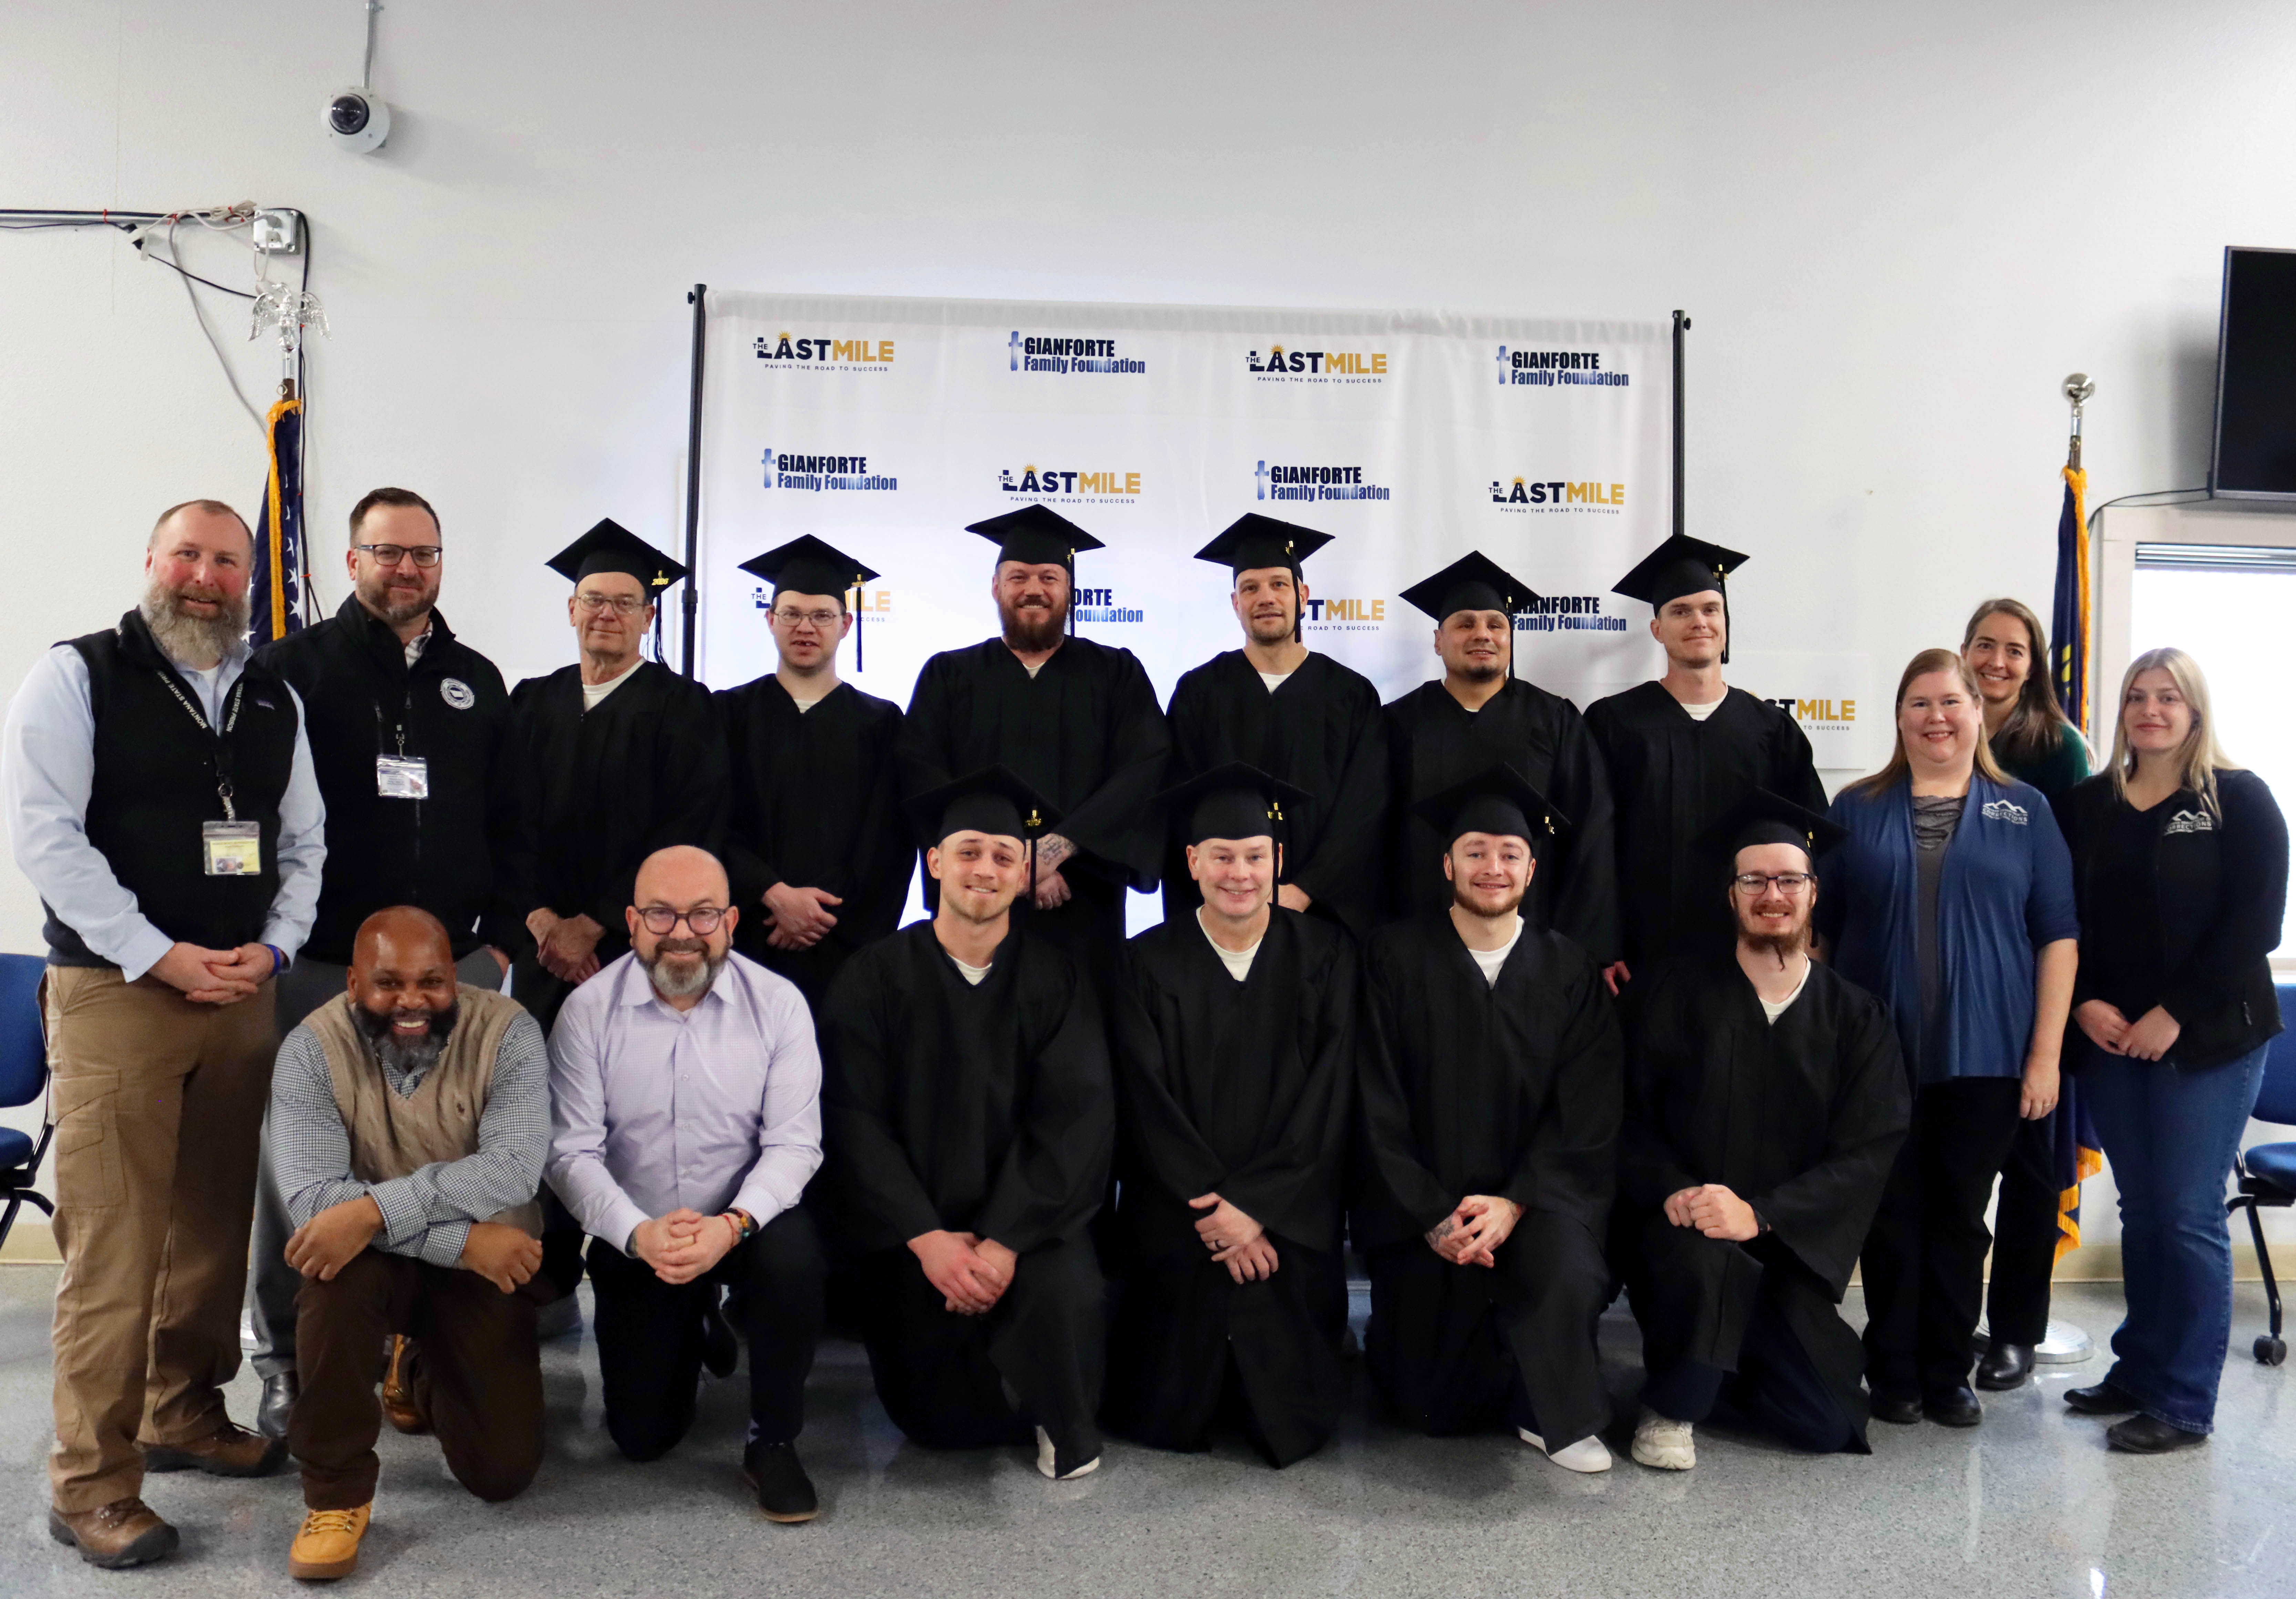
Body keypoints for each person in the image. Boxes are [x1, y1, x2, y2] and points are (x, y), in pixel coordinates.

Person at [2, 499, 324, 1568]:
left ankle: (181, 1409)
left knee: (210, 1228)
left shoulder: (272, 694)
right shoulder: (77, 675)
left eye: (227, 561)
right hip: (116, 994)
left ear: (247, 579)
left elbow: (305, 841)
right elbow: (46, 837)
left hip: (239, 996)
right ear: (152, 560)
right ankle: (89, 1483)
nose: (206, 576)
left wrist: (274, 949)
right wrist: (156, 953)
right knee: (115, 1246)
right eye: (188, 554)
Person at [244, 486, 521, 1440]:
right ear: (353, 559)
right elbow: (255, 805)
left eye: (424, 553)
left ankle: (415, 1348)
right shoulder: (289, 668)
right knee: (300, 1171)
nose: (408, 569)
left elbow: (509, 816)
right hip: (322, 966)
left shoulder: (476, 679)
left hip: (453, 971)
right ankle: (289, 1362)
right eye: (388, 551)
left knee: (440, 1157)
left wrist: (499, 938)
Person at [817, 767, 1114, 1481]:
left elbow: (1074, 1119)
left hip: (1028, 1230)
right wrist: (928, 1240)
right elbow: (852, 1119)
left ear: (1022, 875)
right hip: (914, 1233)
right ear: (934, 862)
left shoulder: (1056, 979)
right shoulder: (872, 977)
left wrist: (1004, 1243)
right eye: (969, 851)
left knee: (1067, 1288)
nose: (985, 868)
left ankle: (1057, 1419)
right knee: (938, 1425)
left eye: (1004, 856)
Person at [1819, 649, 2078, 1428]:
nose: (1936, 717)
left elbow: (2057, 936)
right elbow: (1820, 936)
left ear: (1976, 713)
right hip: (1876, 1057)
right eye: (1919, 703)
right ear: (1899, 718)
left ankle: (1946, 1372)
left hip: (1988, 1056)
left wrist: (2044, 1055)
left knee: (1961, 1219)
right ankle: (1893, 1372)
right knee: (1890, 1214)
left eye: (1950, 702)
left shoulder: (2025, 810)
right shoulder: (1856, 807)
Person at [1618, 792, 1909, 1469]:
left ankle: (1713, 1369)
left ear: (1812, 893)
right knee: (1707, 1265)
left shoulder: (1855, 1017)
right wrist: (1671, 1190)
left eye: (1787, 880)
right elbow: (1622, 1114)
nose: (1770, 895)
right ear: (1730, 894)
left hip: (1783, 1243)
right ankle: (1670, 1407)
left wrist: (1760, 1215)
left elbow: (1867, 1151)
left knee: (1826, 1421)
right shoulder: (1670, 994)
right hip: (1682, 1235)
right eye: (1752, 880)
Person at [547, 846, 829, 1517]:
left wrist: (729, 1227)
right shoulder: (586, 1011)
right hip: (641, 1229)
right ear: (631, 923)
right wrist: (637, 1234)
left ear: (730, 921)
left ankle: (772, 1441)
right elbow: (570, 1153)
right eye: (660, 914)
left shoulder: (778, 1005)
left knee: (795, 1257)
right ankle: (696, 1315)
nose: (681, 932)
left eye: (702, 914)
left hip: (743, 1222)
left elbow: (794, 1145)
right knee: (643, 1439)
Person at [1355, 764, 1621, 1473]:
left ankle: (1550, 1412)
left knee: (1563, 1268)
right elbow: (1373, 1099)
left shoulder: (1569, 970)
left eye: (1508, 853)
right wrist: (1430, 1212)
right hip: (1423, 1209)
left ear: (1531, 869)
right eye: (1474, 851)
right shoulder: (1390, 958)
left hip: (1533, 1203)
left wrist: (1514, 1202)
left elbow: (1587, 1109)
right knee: (1430, 1410)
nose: (1491, 867)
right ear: (1446, 864)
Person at [269, 907, 549, 1581]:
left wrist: (369, 1210)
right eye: (388, 983)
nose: (412, 1001)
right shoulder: (309, 1049)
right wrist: (462, 1242)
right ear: (353, 982)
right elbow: (315, 1204)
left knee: (502, 1473)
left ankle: (413, 1368)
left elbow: (512, 1170)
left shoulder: (509, 1032)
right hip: (438, 1251)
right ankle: (334, 1496)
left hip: (484, 1264)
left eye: (431, 981)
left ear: (455, 977)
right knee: (333, 1278)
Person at [2056, 648, 2287, 1453]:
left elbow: (2255, 925)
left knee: (2187, 1213)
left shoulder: (2238, 798)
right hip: (2110, 1036)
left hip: (2211, 1037)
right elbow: (2061, 914)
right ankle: (2138, 1370)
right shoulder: (2088, 804)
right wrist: (2081, 1000)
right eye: (2136, 696)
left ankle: (2184, 1400)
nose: (2150, 710)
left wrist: (2173, 1013)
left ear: (2194, 710)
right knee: (2144, 1210)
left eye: (2167, 697)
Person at [1103, 764, 1355, 1466]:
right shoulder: (1143, 962)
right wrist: (1218, 1213)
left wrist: (1257, 1209)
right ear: (1191, 862)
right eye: (1220, 857)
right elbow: (1144, 1099)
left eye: (1253, 857)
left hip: (1288, 1215)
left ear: (1278, 861)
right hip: (1181, 1211)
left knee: (1287, 1364)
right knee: (1174, 1352)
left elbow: (1329, 1094)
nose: (1238, 874)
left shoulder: (1326, 954)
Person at [895, 506, 1169, 968]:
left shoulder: (1116, 674)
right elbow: (923, 776)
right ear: (996, 587)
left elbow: (1143, 769)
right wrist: (1009, 863)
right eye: (1018, 577)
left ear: (1069, 590)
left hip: (1083, 900)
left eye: (1049, 578)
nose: (1034, 590)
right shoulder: (949, 675)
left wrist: (1057, 851)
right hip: (976, 900)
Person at [501, 518, 730, 1033]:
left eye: (625, 603)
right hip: (540, 948)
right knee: (535, 1074)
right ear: (572, 610)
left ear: (648, 617)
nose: (607, 613)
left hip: (637, 943)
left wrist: (593, 924)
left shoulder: (684, 707)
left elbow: (688, 828)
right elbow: (502, 818)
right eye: (594, 600)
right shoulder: (532, 701)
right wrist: (539, 918)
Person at [1585, 536, 1827, 991]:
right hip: (1641, 954)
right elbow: (1593, 843)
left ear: (1725, 623)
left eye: (1710, 610)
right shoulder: (1613, 723)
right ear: (1657, 629)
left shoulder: (1771, 730)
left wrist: (1808, 932)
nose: (1699, 621)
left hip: (1750, 952)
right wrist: (1602, 944)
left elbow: (1805, 842)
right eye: (1681, 611)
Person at [1960, 597, 2095, 1392]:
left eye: (2014, 649)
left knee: (2030, 1174)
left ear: (2034, 663)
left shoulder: (2058, 751)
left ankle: (2014, 1331)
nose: (1997, 661)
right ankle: (1950, 1318)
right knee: (1954, 1172)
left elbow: (2067, 896)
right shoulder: (1942, 729)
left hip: (2032, 992)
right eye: (1984, 645)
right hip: (1955, 992)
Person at [1381, 552, 1617, 963]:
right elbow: (1373, 834)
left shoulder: (1554, 720)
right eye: (1465, 624)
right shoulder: (1398, 723)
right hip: (1416, 948)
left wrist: (1583, 950)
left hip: (1535, 948)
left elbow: (1591, 833)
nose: (1482, 634)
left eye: (1495, 624)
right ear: (1438, 640)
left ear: (1510, 637)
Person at [1162, 515, 1386, 937]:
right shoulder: (1200, 692)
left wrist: (1306, 890)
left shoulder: (1351, 695)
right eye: (1250, 588)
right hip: (1222, 914)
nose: (1265, 597)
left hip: (1323, 919)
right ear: (1235, 603)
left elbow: (1364, 808)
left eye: (1279, 584)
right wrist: (1231, 891)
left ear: (1303, 596)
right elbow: (1181, 802)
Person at [717, 535, 908, 1013]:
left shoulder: (881, 724)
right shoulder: (727, 715)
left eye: (822, 615)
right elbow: (710, 819)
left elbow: (887, 842)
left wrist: (820, 916)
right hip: (745, 940)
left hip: (843, 952)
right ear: (770, 620)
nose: (806, 627)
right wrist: (771, 894)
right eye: (792, 614)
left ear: (846, 625)